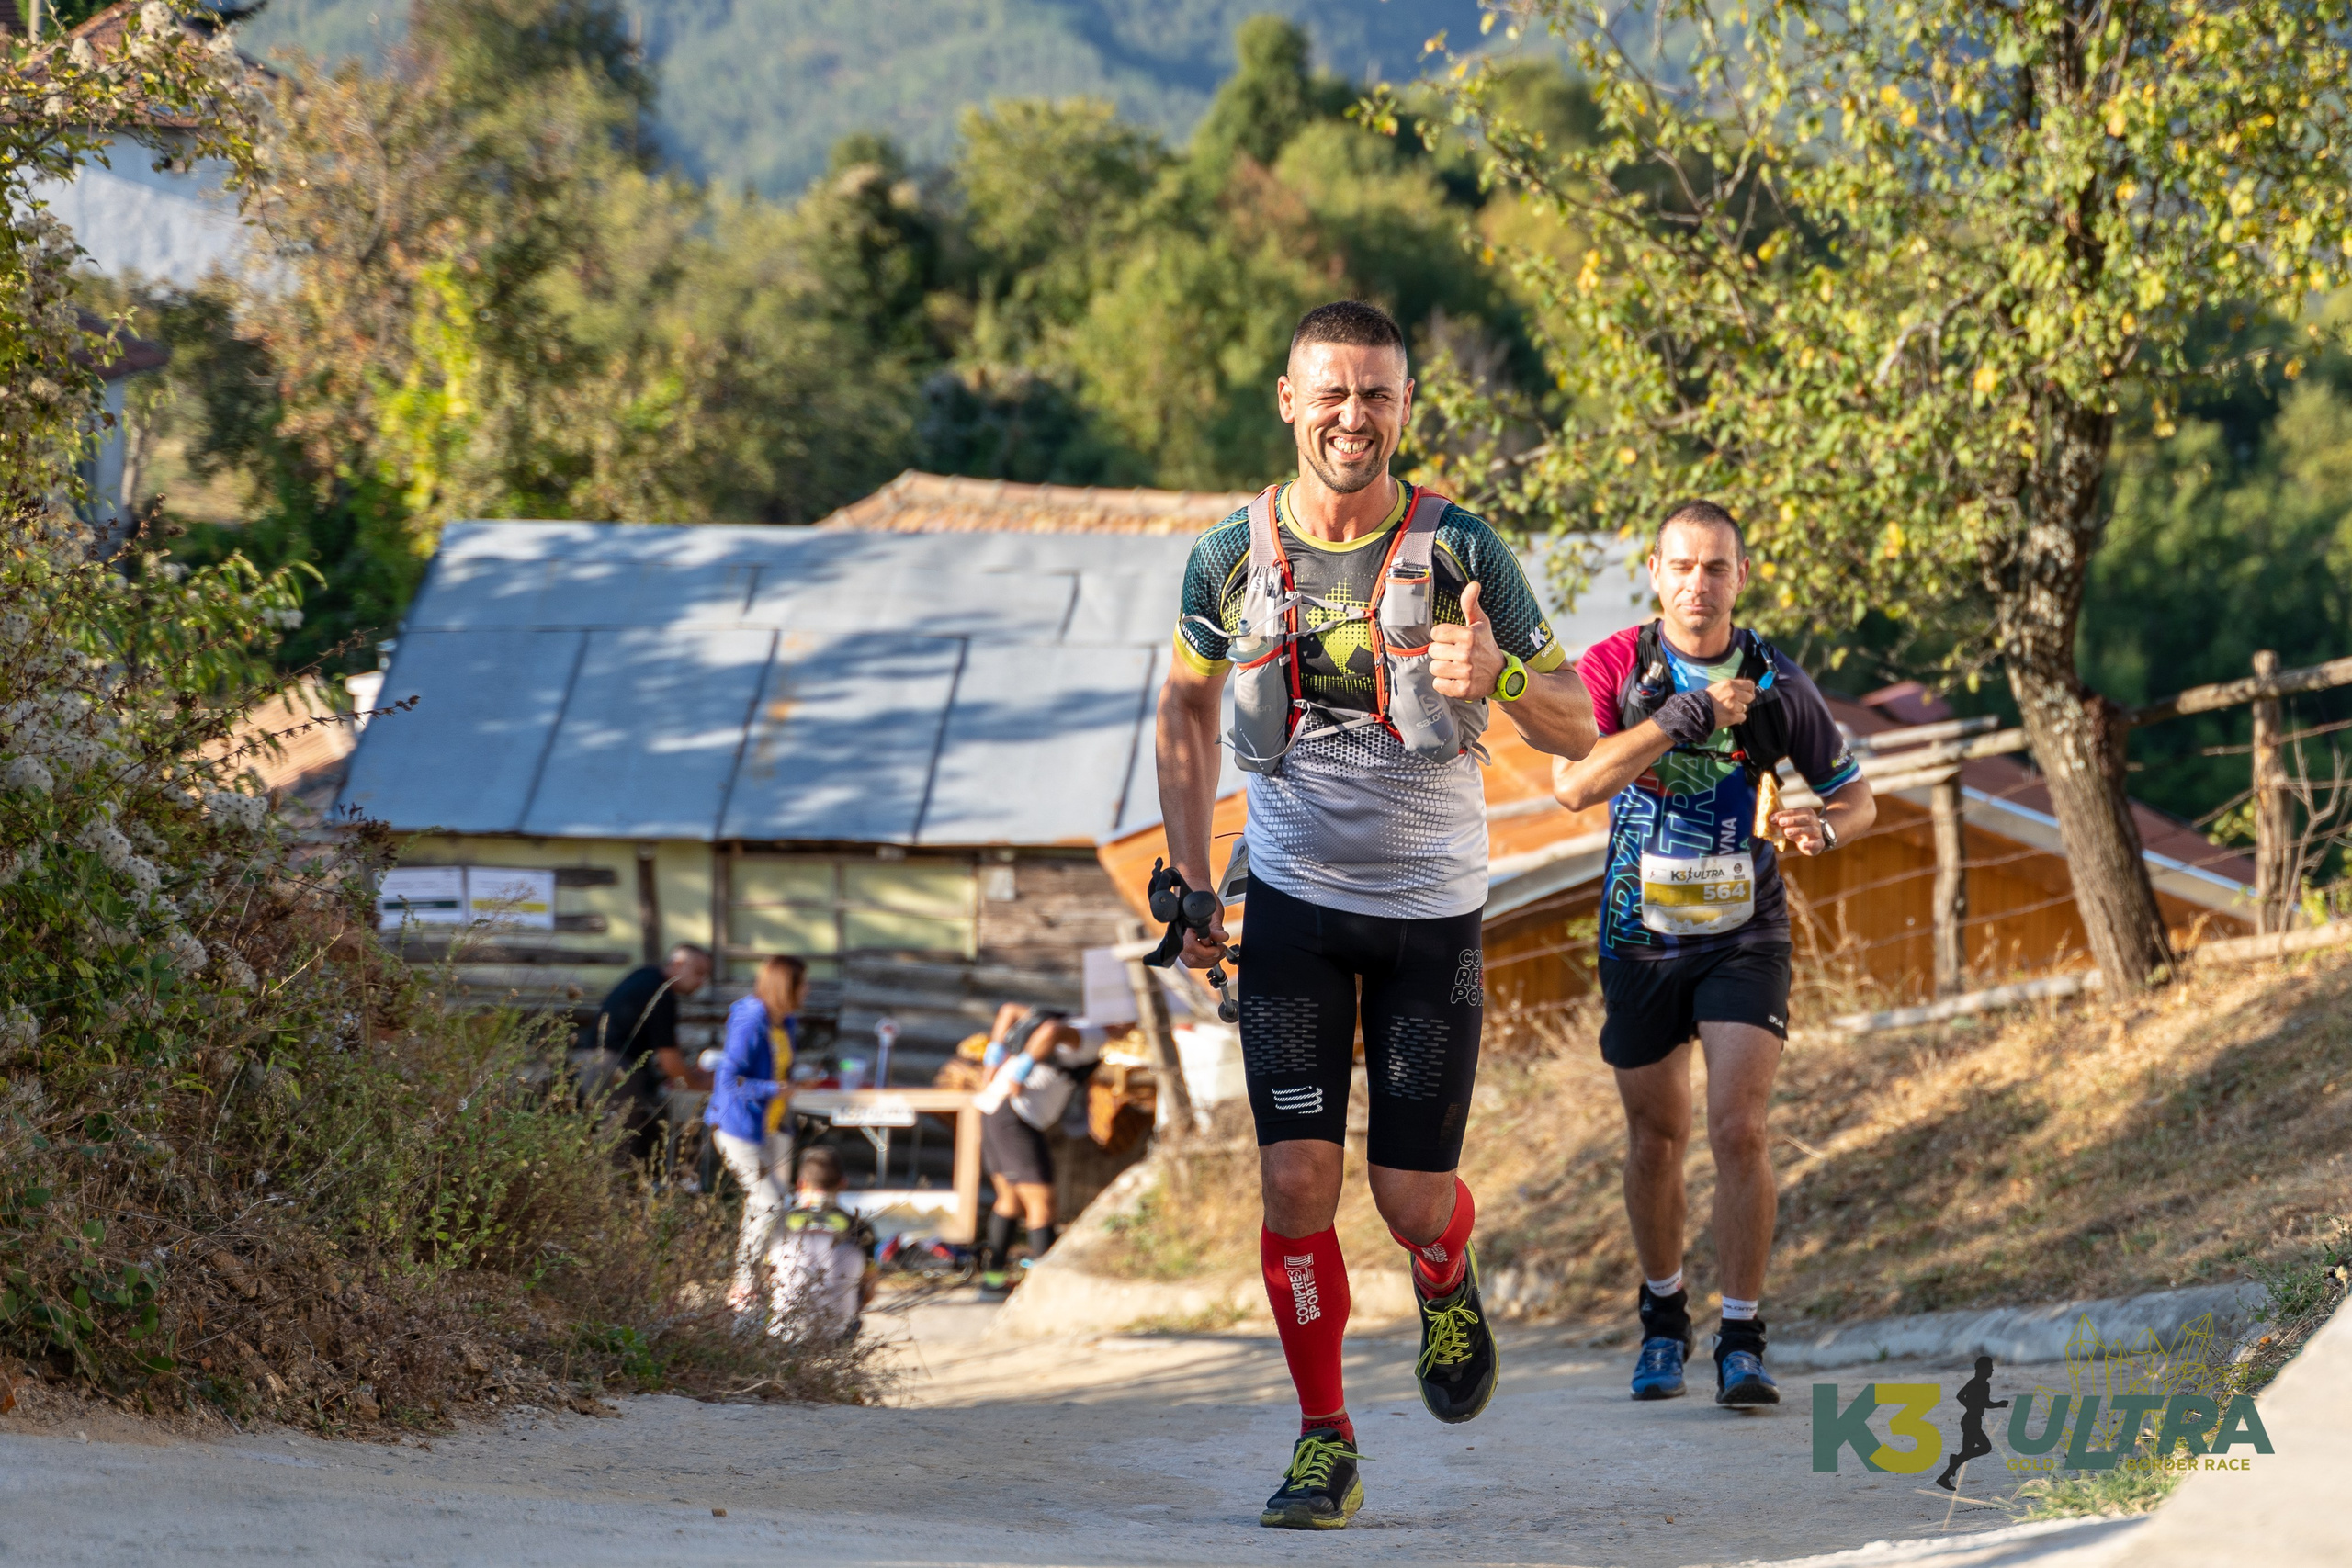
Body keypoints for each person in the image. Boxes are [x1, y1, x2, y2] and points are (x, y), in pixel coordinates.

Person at [1156, 299, 1597, 1530]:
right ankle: (1323, 1440)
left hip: (1430, 918)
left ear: (1407, 408)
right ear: (1290, 400)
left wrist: (1497, 677)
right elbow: (1186, 715)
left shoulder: (1465, 549)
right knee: (1296, 1184)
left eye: (1379, 394)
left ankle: (1445, 1274)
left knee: (1408, 1200)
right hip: (1292, 903)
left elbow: (1577, 723)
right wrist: (1190, 883)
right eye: (1332, 392)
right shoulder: (1226, 554)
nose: (1355, 416)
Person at [1552, 500, 1876, 1408]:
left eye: (1717, 568)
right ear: (1655, 573)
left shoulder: (1775, 679)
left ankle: (1742, 1335)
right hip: (1639, 937)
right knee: (1658, 1139)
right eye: (1683, 567)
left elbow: (1861, 801)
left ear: (1740, 576)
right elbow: (1575, 784)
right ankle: (1662, 1318)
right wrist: (1680, 717)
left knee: (1740, 1129)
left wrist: (1824, 826)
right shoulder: (1616, 667)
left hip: (1746, 933)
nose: (1699, 585)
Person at [970, 1001, 1110, 1292]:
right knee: (1043, 1205)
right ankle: (1045, 1287)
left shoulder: (1073, 1018)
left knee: (1009, 1201)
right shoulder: (1096, 1034)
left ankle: (993, 1280)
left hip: (994, 1109)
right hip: (1017, 1116)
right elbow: (1052, 1031)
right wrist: (1020, 1072)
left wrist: (992, 1062)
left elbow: (1008, 1010)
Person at [707, 954, 808, 1317]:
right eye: (802, 984)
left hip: (774, 1127)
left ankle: (782, 1285)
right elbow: (729, 1080)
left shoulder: (785, 1021)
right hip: (739, 1129)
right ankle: (744, 1286)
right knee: (769, 1201)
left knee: (778, 1209)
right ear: (786, 986)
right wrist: (773, 1087)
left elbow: (780, 1062)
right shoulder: (750, 1020)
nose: (808, 990)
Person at [586, 942, 713, 1168]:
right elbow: (669, 1059)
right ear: (678, 964)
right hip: (615, 1066)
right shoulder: (662, 992)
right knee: (617, 1144)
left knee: (605, 1137)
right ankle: (611, 1197)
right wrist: (698, 1083)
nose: (701, 982)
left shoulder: (643, 975)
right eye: (698, 973)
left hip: (592, 1060)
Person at [767, 1145, 877, 1342]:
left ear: (800, 1184)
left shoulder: (781, 1224)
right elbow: (870, 1290)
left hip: (786, 1334)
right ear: (843, 1184)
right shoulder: (860, 1228)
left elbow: (766, 1281)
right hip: (836, 1335)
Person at [1937, 1357, 2007, 1490]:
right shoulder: (1981, 1384)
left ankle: (1946, 1474)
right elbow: (1982, 1402)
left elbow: (1961, 1396)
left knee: (1967, 1452)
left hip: (1971, 1420)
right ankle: (1951, 1466)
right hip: (1971, 1421)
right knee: (1985, 1447)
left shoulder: (1976, 1382)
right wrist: (1999, 1404)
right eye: (1990, 1367)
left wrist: (1970, 1406)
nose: (1992, 1370)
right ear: (1982, 1369)